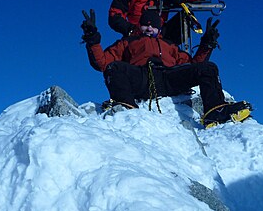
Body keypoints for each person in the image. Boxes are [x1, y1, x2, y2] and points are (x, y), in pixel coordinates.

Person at [81, 8, 251, 127]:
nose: (149, 28)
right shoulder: (128, 42)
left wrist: (206, 45)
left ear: (159, 28)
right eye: (145, 25)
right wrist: (93, 40)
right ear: (139, 26)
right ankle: (126, 109)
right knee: (114, 68)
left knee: (208, 68)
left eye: (153, 25)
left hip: (168, 78)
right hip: (141, 78)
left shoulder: (169, 45)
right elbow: (102, 63)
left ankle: (215, 112)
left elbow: (192, 65)